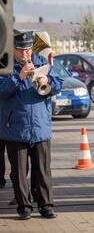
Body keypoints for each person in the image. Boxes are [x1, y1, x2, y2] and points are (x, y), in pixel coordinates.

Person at [0, 30, 63, 220]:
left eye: (28, 49)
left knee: (43, 170)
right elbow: (1, 91)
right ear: (13, 49)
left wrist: (48, 81)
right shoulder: (5, 64)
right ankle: (24, 206)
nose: (26, 54)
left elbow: (59, 83)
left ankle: (46, 206)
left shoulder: (41, 62)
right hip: (15, 127)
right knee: (19, 172)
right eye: (21, 50)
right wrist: (18, 77)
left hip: (40, 127)